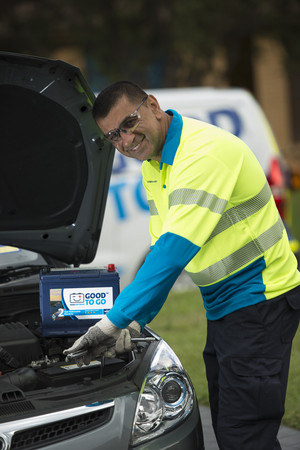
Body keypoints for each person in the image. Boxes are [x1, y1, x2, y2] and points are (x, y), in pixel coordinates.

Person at [64, 81, 300, 450]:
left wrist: (114, 321)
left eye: (129, 123)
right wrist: (139, 319)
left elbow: (174, 250)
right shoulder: (155, 166)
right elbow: (161, 245)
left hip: (262, 300)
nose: (125, 140)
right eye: (113, 136)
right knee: (229, 425)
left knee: (245, 434)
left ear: (153, 106)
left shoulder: (203, 153)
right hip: (225, 306)